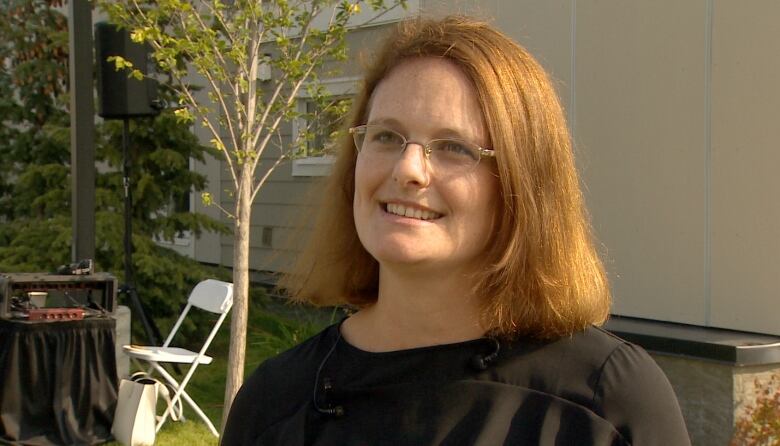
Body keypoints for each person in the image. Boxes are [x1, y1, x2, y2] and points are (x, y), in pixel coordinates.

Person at [222, 15, 690, 445]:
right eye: (386, 136)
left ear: (520, 185)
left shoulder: (604, 401)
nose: (409, 169)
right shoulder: (275, 400)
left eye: (453, 147)